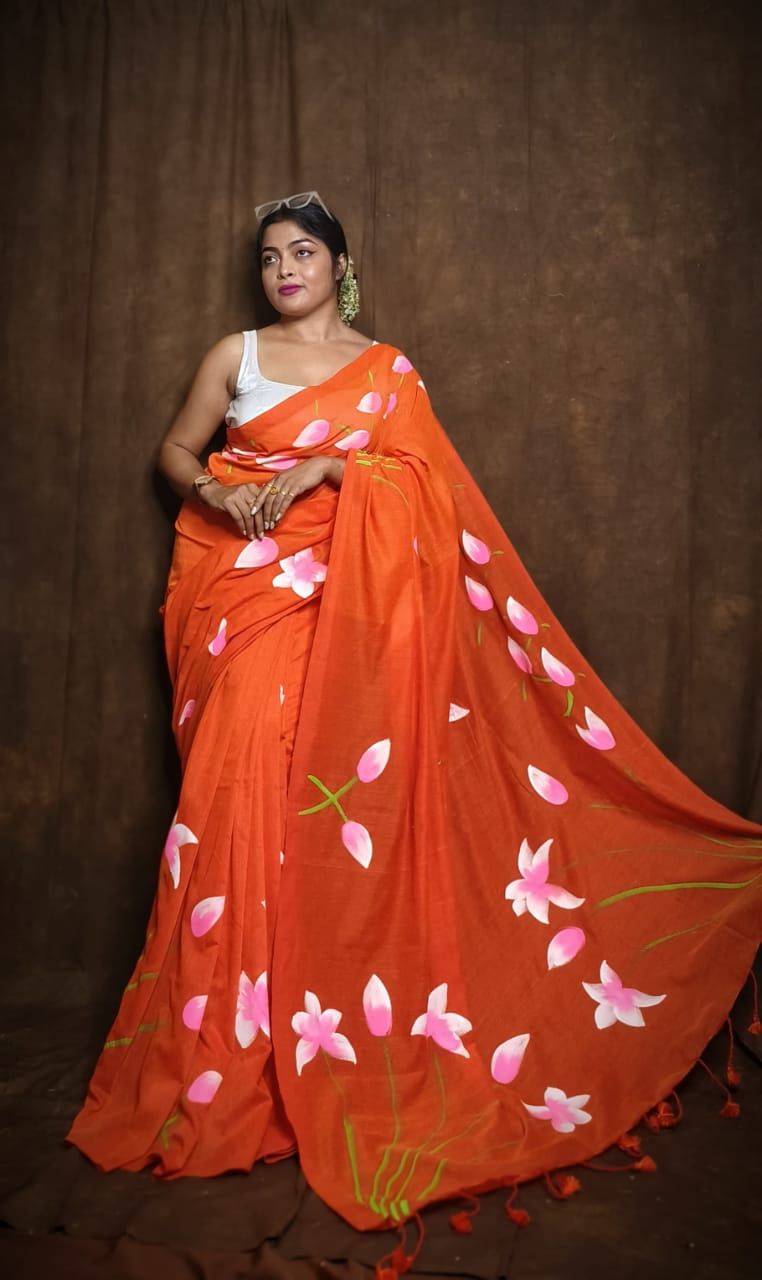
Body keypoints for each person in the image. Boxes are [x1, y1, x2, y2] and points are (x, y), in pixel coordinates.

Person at [65, 192, 762, 1234]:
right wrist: (217, 493)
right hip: (246, 602)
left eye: (304, 252)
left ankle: (328, 1041)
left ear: (340, 267)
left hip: (353, 615)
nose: (284, 268)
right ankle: (233, 1053)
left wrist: (333, 465)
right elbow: (173, 453)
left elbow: (433, 498)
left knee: (333, 809)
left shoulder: (388, 372)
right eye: (270, 256)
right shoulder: (234, 355)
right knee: (240, 794)